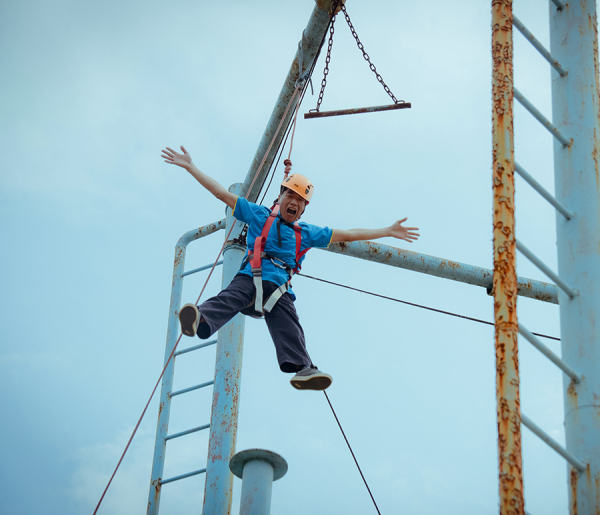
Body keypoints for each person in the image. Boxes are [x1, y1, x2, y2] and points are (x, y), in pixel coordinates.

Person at [162, 145, 420, 391]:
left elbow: (350, 234)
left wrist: (387, 231)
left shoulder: (306, 233)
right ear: (280, 196)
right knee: (231, 297)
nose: (294, 202)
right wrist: (190, 167)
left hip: (279, 289)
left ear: (304, 208)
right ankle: (201, 318)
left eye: (300, 200)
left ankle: (303, 369)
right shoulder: (258, 215)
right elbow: (222, 193)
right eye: (290, 195)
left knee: (289, 325)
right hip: (252, 276)